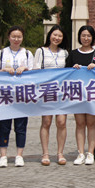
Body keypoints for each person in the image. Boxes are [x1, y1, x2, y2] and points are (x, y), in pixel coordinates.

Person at [0, 25, 35, 168]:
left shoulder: (28, 54)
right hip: (4, 95)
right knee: (4, 126)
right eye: (13, 36)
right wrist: (4, 70)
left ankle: (19, 155)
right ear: (8, 37)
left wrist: (26, 69)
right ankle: (3, 156)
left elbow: (35, 74)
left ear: (22, 38)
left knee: (21, 126)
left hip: (22, 95)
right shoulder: (1, 53)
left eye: (19, 37)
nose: (16, 39)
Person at [65, 25, 95, 165]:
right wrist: (73, 69)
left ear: (92, 37)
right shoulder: (73, 54)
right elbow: (65, 74)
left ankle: (90, 153)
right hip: (77, 95)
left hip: (93, 95)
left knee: (92, 123)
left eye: (88, 36)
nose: (85, 38)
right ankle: (80, 153)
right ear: (79, 37)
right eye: (83, 35)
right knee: (80, 123)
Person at [34, 25, 70, 166]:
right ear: (50, 35)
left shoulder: (65, 53)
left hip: (61, 92)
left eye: (60, 36)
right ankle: (45, 153)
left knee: (61, 122)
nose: (57, 38)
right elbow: (36, 70)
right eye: (54, 35)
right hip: (46, 91)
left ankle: (60, 153)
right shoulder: (41, 51)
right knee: (46, 122)